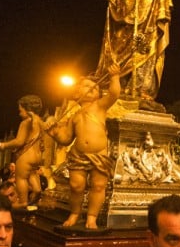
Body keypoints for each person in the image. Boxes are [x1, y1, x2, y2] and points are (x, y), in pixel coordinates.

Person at [45, 65, 122, 230]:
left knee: (98, 186)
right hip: (78, 155)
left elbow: (115, 93)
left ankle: (92, 217)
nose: (92, 88)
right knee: (76, 186)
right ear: (77, 93)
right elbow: (66, 139)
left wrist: (115, 77)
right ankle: (75, 213)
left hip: (99, 154)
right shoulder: (74, 116)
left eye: (95, 87)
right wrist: (55, 134)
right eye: (86, 86)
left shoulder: (100, 106)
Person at [0, 94, 48, 208]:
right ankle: (37, 190)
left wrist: (3, 145)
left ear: (28, 109)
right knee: (33, 174)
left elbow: (19, 141)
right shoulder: (41, 122)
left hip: (26, 155)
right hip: (37, 156)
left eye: (20, 111)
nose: (19, 114)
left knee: (21, 178)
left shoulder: (25, 122)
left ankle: (23, 201)